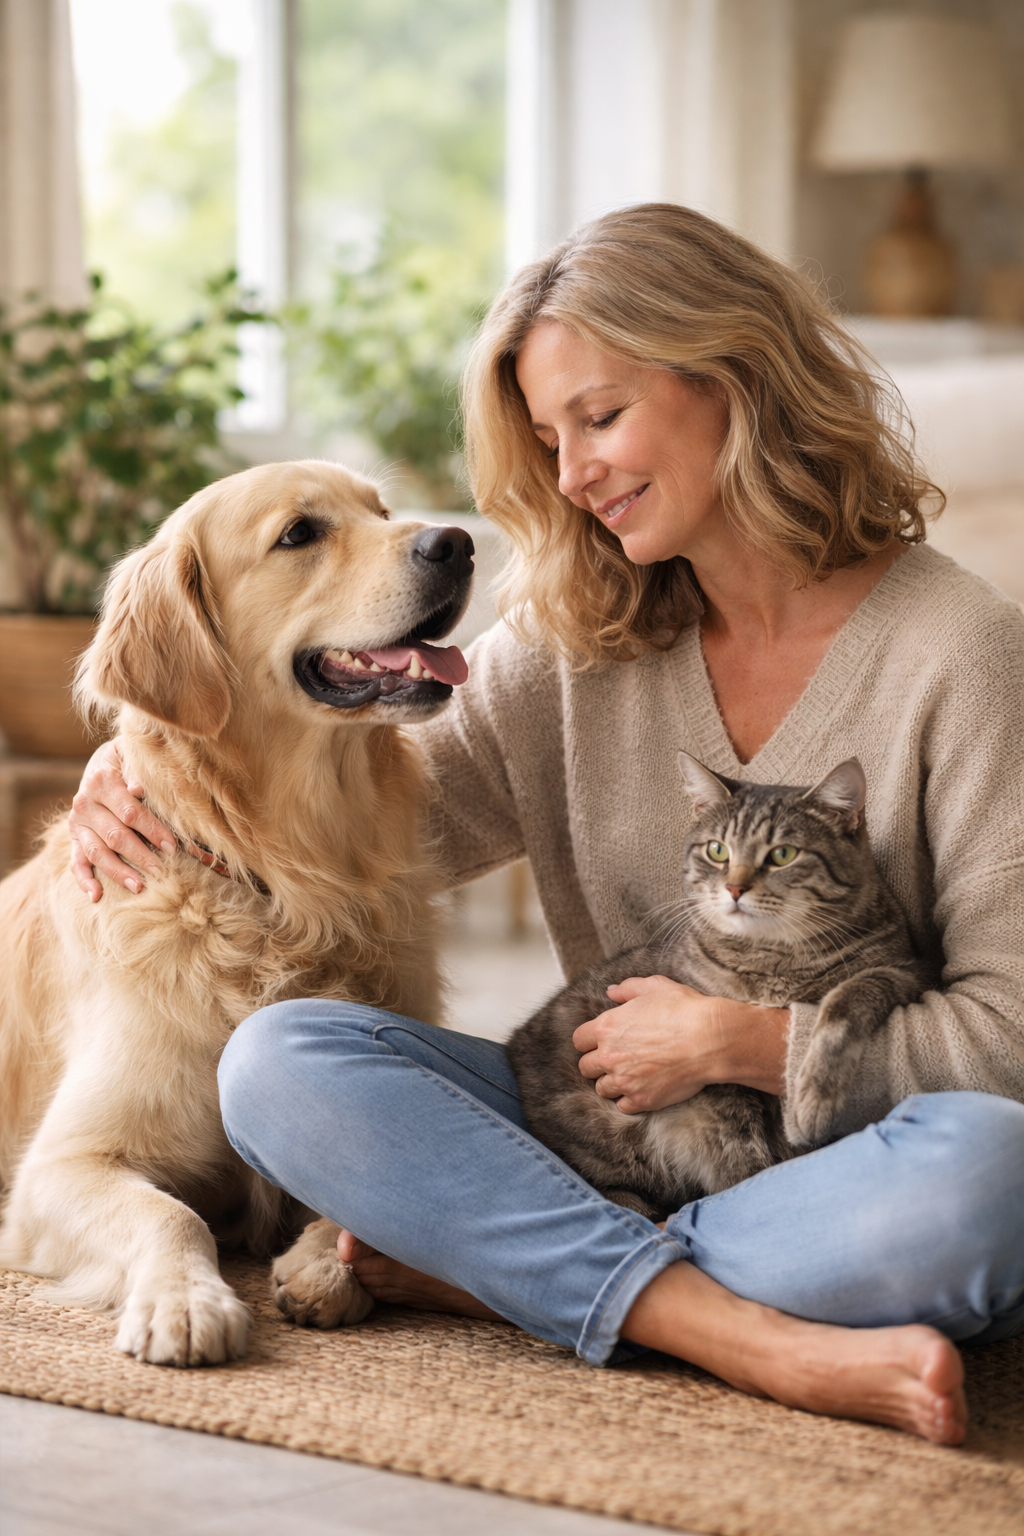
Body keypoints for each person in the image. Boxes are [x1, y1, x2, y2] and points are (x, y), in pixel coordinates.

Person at [68, 204, 1024, 1445]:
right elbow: (344, 822)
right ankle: (737, 1329)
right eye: (546, 438)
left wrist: (748, 1042)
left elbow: (1008, 1039)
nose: (572, 476)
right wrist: (142, 763)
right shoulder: (573, 635)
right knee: (281, 1063)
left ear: (737, 379)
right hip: (610, 1140)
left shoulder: (960, 653)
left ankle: (492, 1261)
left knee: (992, 1182)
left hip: (842, 1149)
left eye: (600, 417)